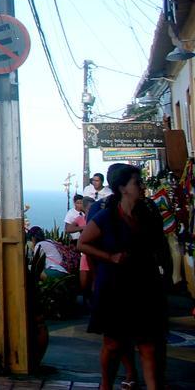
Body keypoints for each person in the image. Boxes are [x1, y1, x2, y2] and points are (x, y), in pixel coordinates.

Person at [79, 163, 171, 390]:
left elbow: (161, 247)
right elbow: (83, 244)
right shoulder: (107, 216)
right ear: (122, 187)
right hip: (115, 288)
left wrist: (166, 276)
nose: (141, 186)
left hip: (145, 286)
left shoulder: (148, 213)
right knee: (113, 344)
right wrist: (110, 258)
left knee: (149, 345)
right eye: (136, 183)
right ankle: (106, 385)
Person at [64, 195, 90, 296]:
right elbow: (68, 228)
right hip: (77, 242)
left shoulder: (86, 216)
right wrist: (83, 228)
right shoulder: (75, 215)